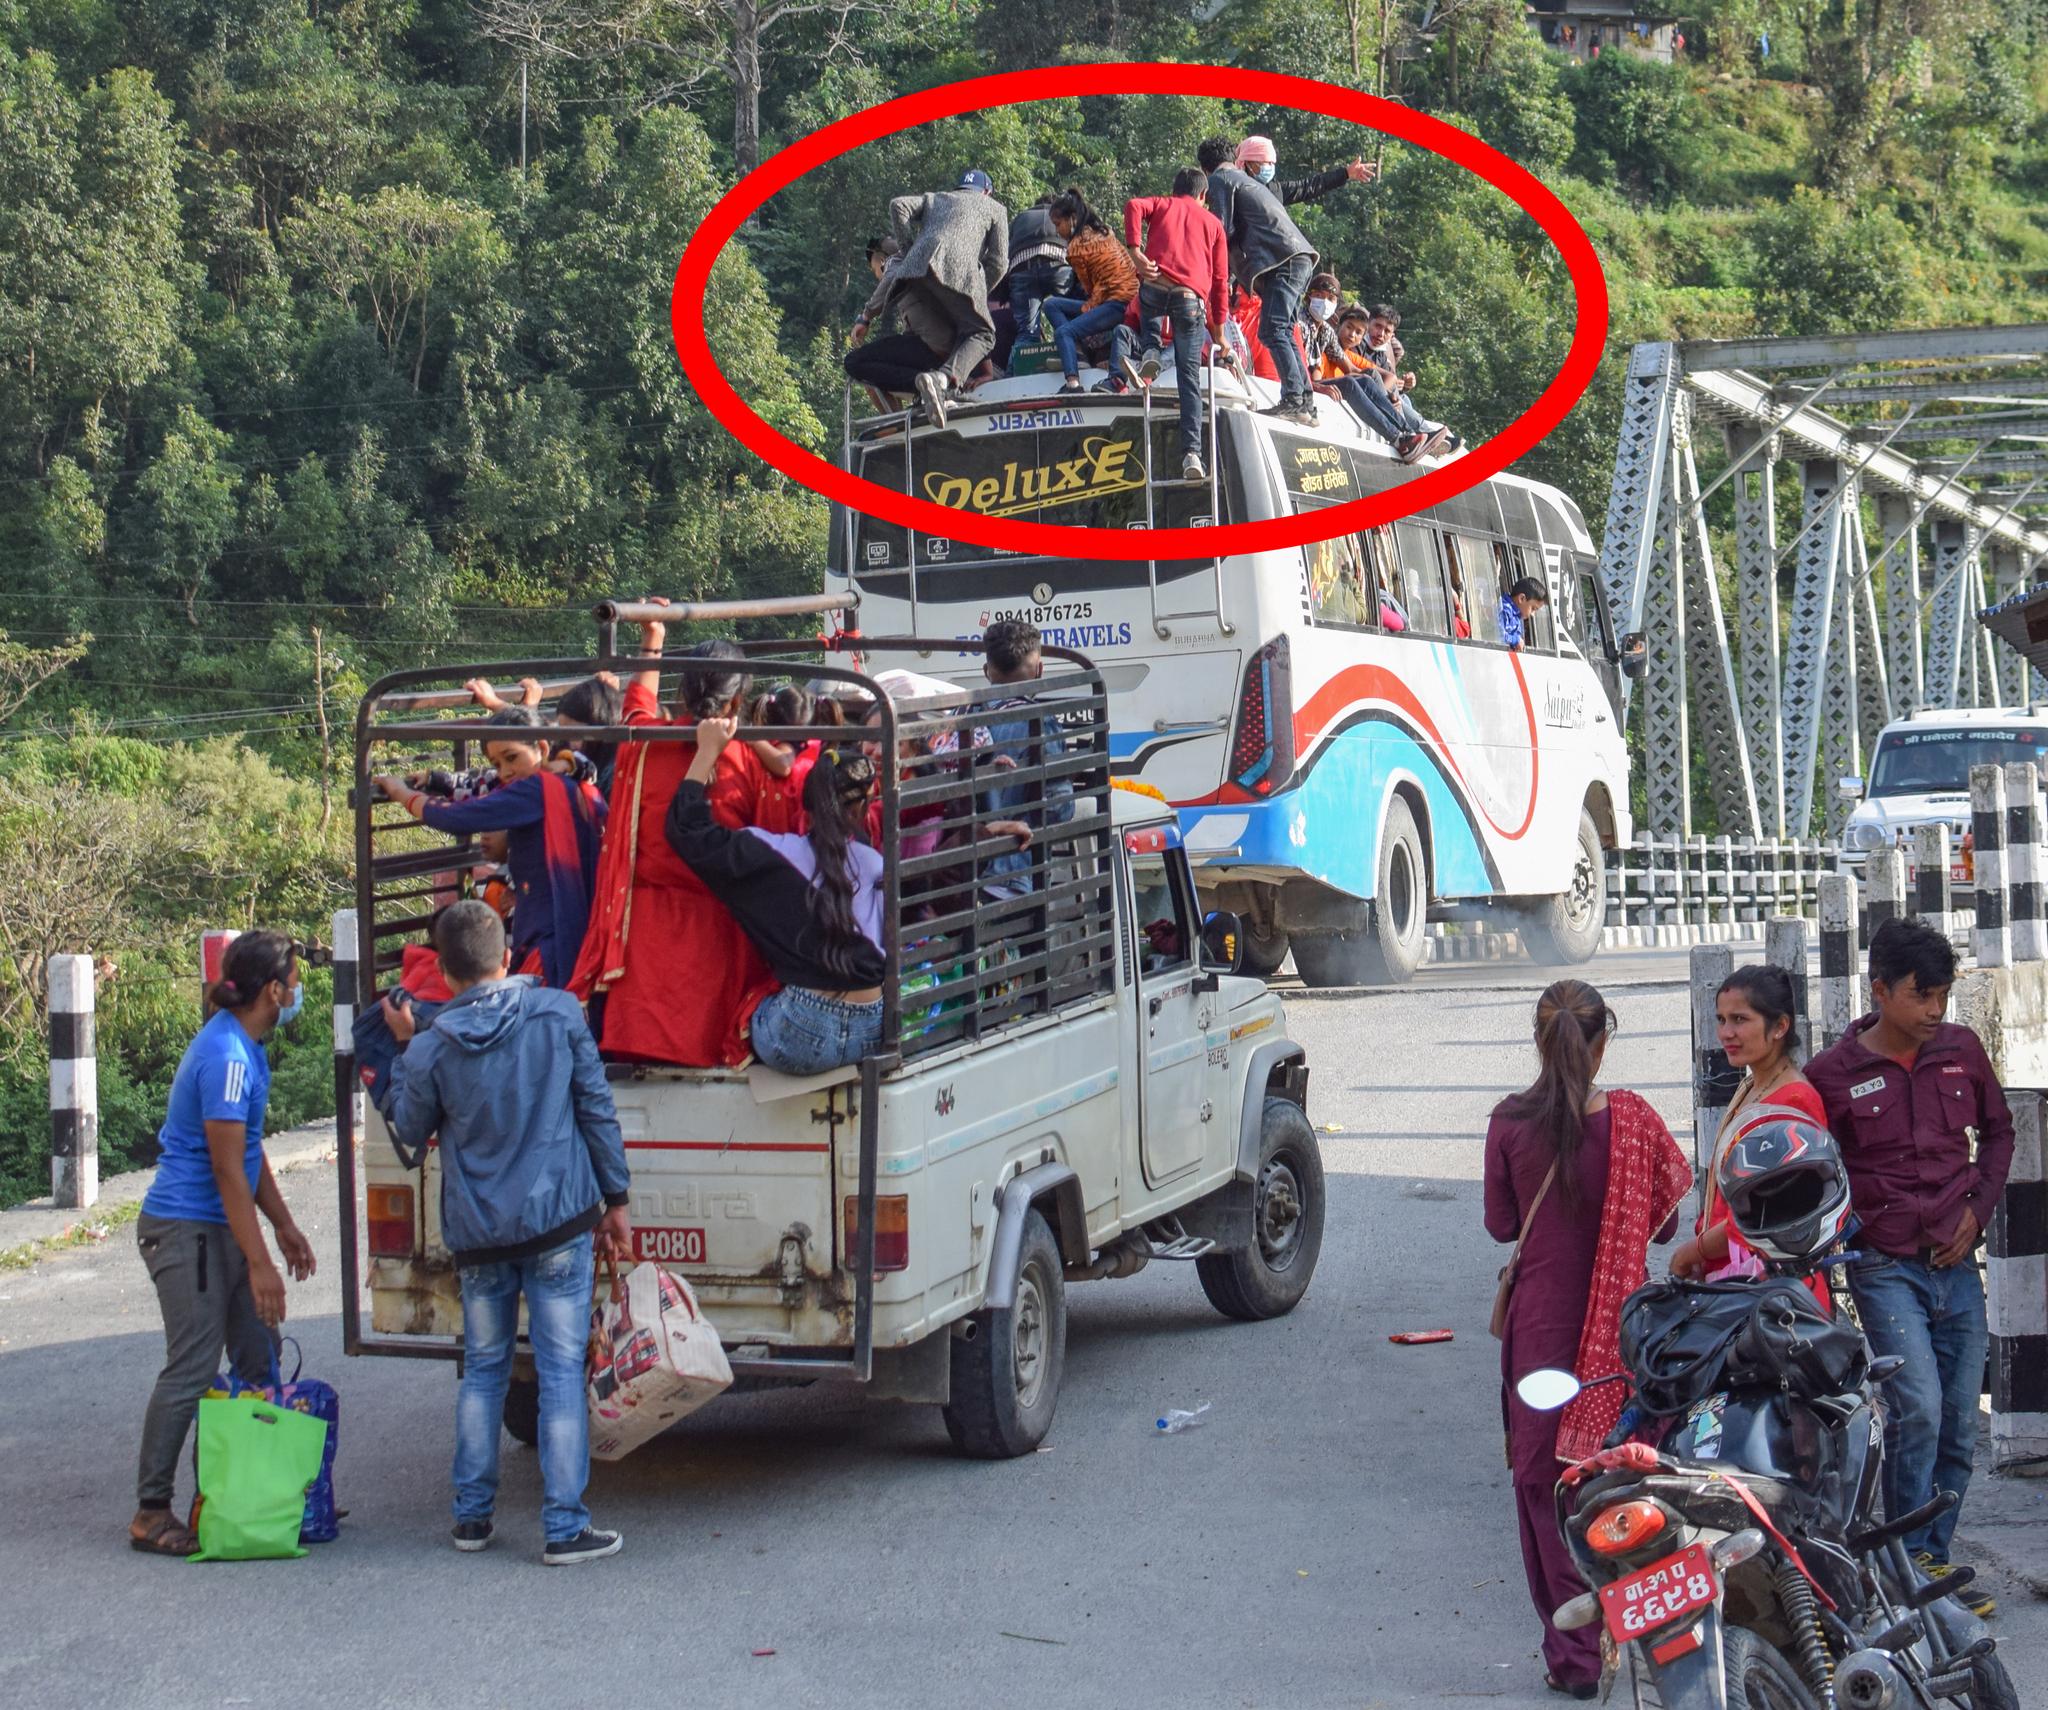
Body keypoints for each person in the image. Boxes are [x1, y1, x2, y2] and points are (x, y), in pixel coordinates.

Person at [379, 901, 631, 1566]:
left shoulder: (432, 1045)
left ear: (443, 971)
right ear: (508, 958)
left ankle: (472, 1519)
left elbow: (409, 1127)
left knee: (484, 1374)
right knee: (558, 1374)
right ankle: (564, 1526)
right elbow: (595, 1108)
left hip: (480, 1235)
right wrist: (618, 1198)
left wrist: (405, 1045)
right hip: (559, 1226)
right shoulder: (558, 1014)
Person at [1484, 980, 1691, 1699]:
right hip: (1622, 1340)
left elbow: (1500, 1224)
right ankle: (1650, 1641)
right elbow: (1667, 1224)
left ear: (1538, 1041)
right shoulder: (1633, 1121)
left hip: (1540, 1336)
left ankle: (1575, 1658)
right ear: (1603, 1040)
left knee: (1546, 1491)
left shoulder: (1508, 1122)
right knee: (1624, 1481)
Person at [1806, 916, 2010, 1617]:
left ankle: (1930, 1556)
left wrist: (1977, 1212)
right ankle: (1903, 1563)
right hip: (1884, 1266)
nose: (1934, 1012)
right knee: (1917, 1406)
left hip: (1956, 1261)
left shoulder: (1961, 1050)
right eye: (1921, 996)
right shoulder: (1832, 1075)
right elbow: (1812, 1165)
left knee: (1958, 1417)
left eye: (1942, 996)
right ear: (1881, 989)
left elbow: (2001, 1129)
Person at [131, 931, 316, 1557]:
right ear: (272, 991)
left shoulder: (246, 1047)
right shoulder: (229, 1056)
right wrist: (260, 1263)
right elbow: (225, 1168)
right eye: (293, 983)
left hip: (218, 1226)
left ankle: (257, 1489)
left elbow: (250, 1149)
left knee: (259, 1356)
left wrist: (284, 1226)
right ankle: (151, 1511)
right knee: (191, 1367)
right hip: (186, 1229)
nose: (297, 994)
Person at [569, 608, 778, 1066]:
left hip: (642, 937)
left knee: (641, 1055)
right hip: (719, 935)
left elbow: (637, 705)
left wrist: (653, 639)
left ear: (682, 693)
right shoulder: (750, 760)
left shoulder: (644, 743)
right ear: (738, 703)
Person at [666, 724, 890, 1075]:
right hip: (875, 1029)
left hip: (801, 1035)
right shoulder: (878, 864)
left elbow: (687, 831)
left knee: (752, 1009)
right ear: (865, 806)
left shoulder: (773, 853)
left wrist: (707, 751)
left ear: (807, 804)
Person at [372, 706, 606, 991]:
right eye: (497, 763)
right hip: (576, 932)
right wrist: (436, 780)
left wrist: (402, 793)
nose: (505, 772)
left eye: (511, 757)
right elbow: (484, 787)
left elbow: (458, 816)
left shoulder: (534, 789)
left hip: (549, 943)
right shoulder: (573, 784)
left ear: (542, 747)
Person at [1670, 964, 1829, 1301]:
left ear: (1780, 1026)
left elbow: (1766, 1219)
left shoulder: (1794, 1101)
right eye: (1721, 1020)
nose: (1726, 1033)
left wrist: (1692, 1252)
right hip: (1739, 1282)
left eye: (1740, 1020)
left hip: (1772, 1295)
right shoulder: (1752, 1087)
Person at [1196, 135, 1376, 425]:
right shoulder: (1249, 182)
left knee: (1272, 329)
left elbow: (1221, 230)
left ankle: (1293, 399)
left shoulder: (1221, 179)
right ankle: (1304, 401)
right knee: (1282, 328)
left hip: (1283, 261)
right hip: (1296, 258)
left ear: (1205, 169)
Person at [1112, 167, 1232, 483]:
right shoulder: (1214, 224)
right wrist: (1218, 330)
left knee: (1149, 305)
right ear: (1203, 195)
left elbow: (1133, 205)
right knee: (1188, 377)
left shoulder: (1163, 205)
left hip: (1154, 285)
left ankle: (1150, 349)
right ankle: (1191, 453)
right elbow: (1220, 281)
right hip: (1190, 299)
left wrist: (1135, 250)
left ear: (1175, 188)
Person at [878, 169, 1010, 428]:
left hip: (915, 274)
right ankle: (941, 380)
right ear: (986, 192)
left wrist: (910, 250)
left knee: (958, 328)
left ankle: (941, 394)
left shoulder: (936, 197)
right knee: (984, 334)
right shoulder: (994, 207)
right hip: (956, 272)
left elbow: (898, 205)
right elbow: (999, 261)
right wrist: (980, 290)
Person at [1039, 188, 1138, 393]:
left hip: (1115, 303)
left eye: (1058, 224)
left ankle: (1073, 382)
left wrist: (1083, 320)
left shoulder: (1076, 248)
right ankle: (1078, 354)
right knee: (1052, 304)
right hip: (1131, 299)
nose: (1057, 231)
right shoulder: (1105, 231)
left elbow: (1091, 291)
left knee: (1064, 331)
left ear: (1072, 219)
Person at [1322, 305, 1443, 463]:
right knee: (1358, 380)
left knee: (1399, 397)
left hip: (1366, 393)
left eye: (1358, 332)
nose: (1352, 335)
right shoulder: (1331, 345)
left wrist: (1388, 395)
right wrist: (1382, 397)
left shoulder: (1350, 353)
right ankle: (1407, 435)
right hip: (1336, 393)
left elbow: (1379, 374)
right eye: (1377, 326)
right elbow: (1315, 378)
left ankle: (1412, 435)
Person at [847, 234, 950, 416]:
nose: (878, 277)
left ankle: (923, 383)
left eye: (875, 270)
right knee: (879, 373)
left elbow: (891, 275)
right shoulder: (922, 262)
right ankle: (899, 419)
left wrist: (865, 318)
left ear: (882, 260)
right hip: (940, 347)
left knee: (854, 361)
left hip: (929, 345)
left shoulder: (896, 262)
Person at [1363, 304, 1461, 454]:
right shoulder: (1358, 345)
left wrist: (1403, 383)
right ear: (1368, 323)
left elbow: (1390, 382)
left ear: (1392, 336)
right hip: (1368, 398)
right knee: (1399, 398)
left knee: (1404, 398)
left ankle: (1424, 436)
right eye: (1377, 326)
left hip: (1386, 399)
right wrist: (1391, 391)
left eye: (1387, 331)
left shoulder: (1381, 354)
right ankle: (1425, 434)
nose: (1380, 334)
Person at [1004, 192, 1073, 360]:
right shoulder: (1063, 218)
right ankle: (1078, 360)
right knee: (1073, 322)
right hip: (1057, 265)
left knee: (1027, 333)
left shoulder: (1021, 218)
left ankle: (1013, 376)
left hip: (1021, 270)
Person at [1500, 577, 1549, 652]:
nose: (1532, 614)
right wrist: (1516, 640)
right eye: (1533, 608)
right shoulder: (1505, 610)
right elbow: (1496, 636)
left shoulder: (1516, 616)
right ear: (1521, 598)